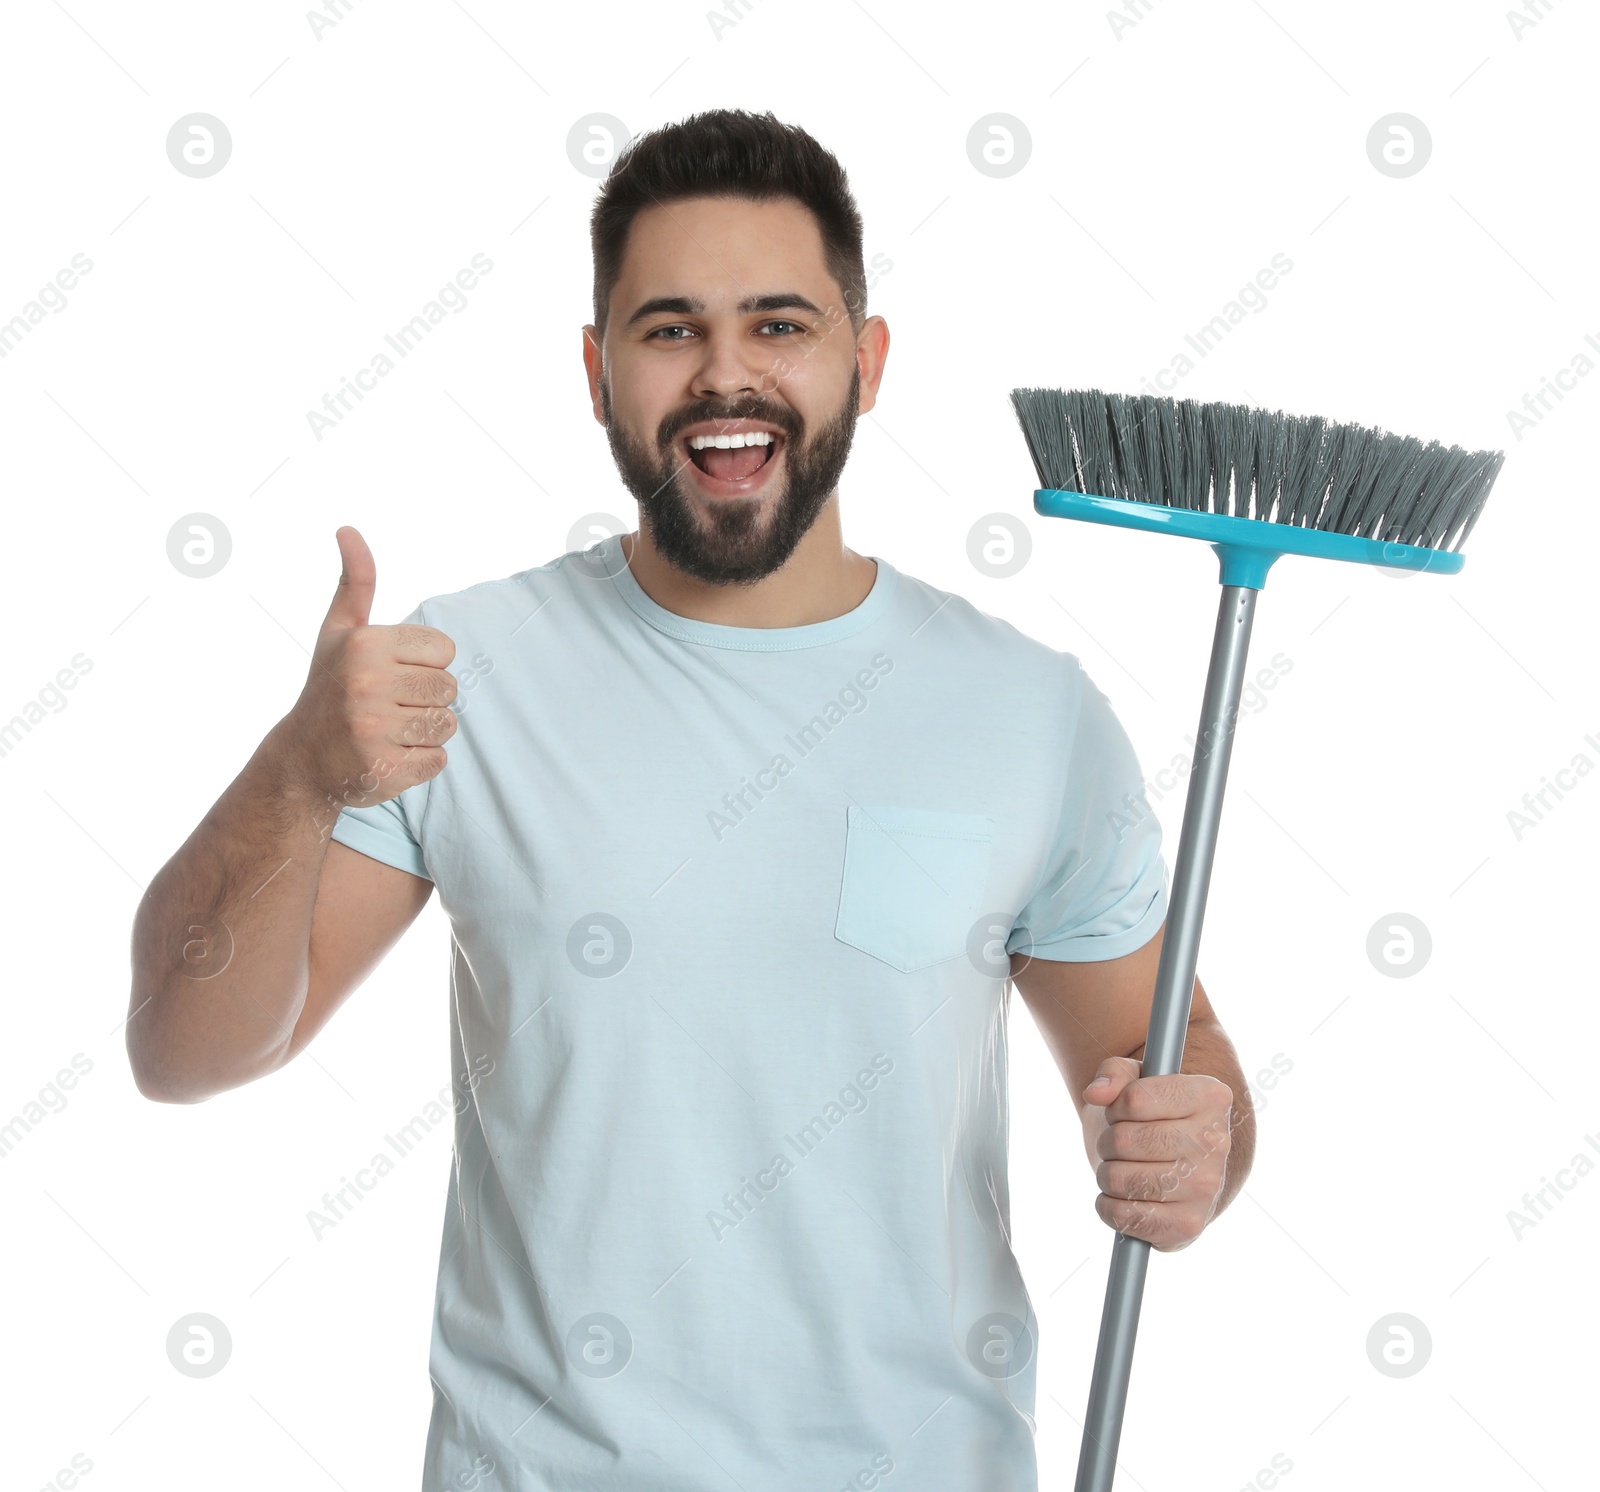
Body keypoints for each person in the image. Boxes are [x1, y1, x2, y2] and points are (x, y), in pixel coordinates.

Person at [128, 107, 1252, 1492]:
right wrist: (295, 771)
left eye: (781, 325)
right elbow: (184, 1048)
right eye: (670, 331)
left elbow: (1173, 1049)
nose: (729, 376)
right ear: (598, 375)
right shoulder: (462, 679)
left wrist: (1197, 1143)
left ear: (868, 359)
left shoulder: (1027, 711)